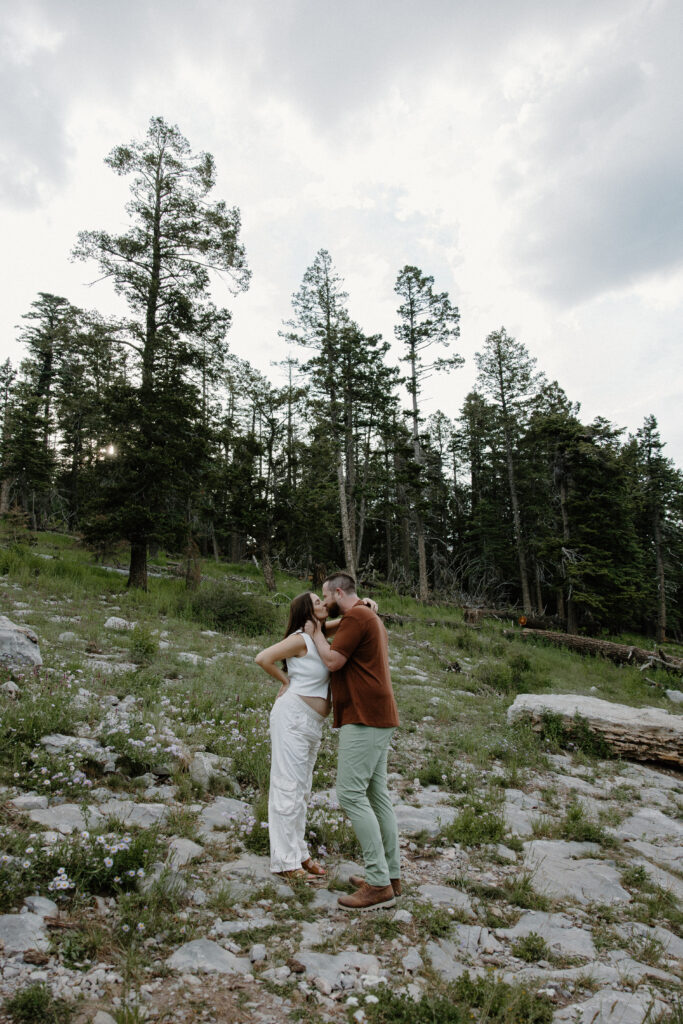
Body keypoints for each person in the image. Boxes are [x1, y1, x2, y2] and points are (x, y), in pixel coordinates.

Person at [305, 572, 401, 911]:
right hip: (376, 714)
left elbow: (332, 660)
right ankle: (391, 875)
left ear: (339, 592)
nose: (324, 602)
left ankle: (378, 883)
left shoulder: (357, 616)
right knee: (377, 795)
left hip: (365, 717)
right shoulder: (363, 614)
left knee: (349, 793)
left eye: (325, 597)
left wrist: (314, 633)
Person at [255, 592, 334, 881]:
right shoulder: (301, 638)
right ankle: (285, 862)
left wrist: (364, 607)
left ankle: (300, 853)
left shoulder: (319, 635)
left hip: (312, 723)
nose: (324, 604)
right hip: (293, 716)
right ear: (306, 612)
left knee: (302, 790)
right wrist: (286, 680)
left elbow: (336, 623)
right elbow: (263, 658)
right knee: (287, 787)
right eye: (317, 602)